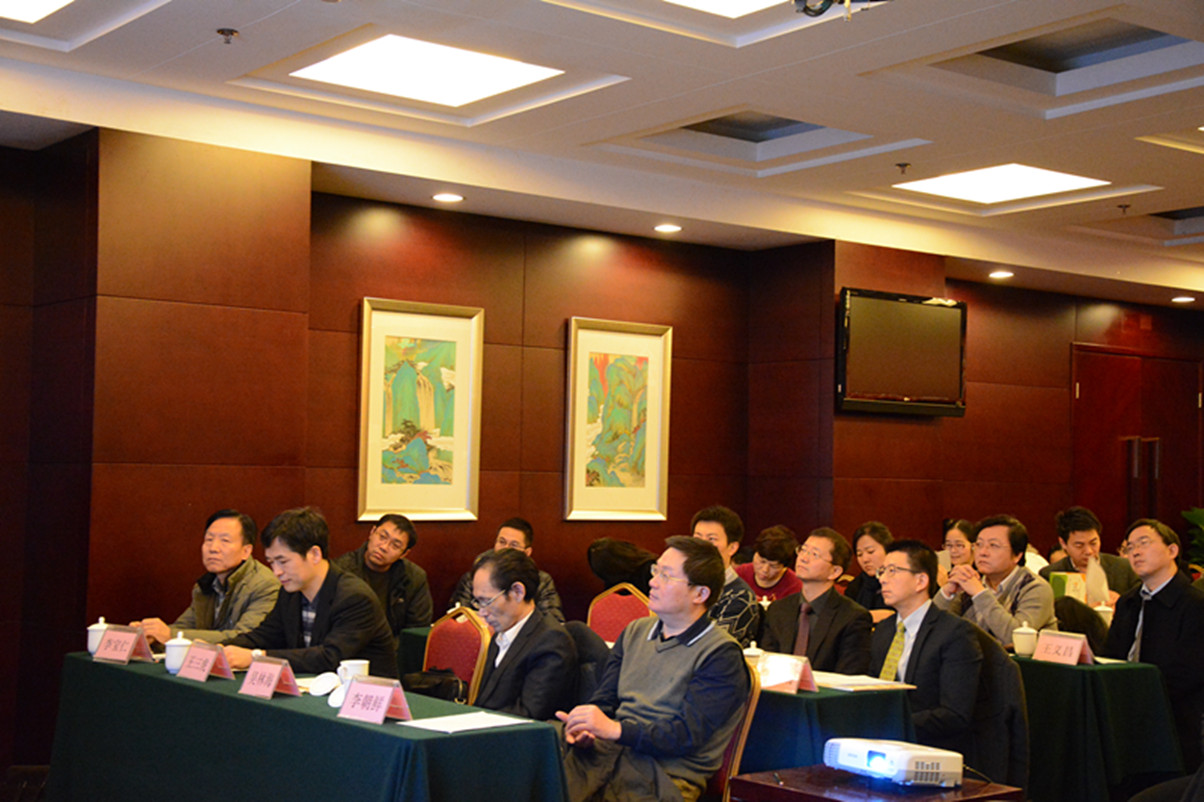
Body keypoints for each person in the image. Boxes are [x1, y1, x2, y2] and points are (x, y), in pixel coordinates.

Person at [556, 536, 750, 802]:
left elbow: (685, 736)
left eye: (666, 576)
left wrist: (614, 730)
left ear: (700, 594)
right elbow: (605, 700)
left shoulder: (721, 654)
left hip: (664, 776)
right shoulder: (635, 631)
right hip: (612, 755)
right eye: (655, 570)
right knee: (536, 764)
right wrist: (587, 727)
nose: (652, 582)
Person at [222, 507, 398, 677]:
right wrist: (219, 649)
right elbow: (265, 635)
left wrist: (257, 657)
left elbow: (330, 657)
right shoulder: (290, 592)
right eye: (271, 562)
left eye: (283, 561)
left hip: (365, 692)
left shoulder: (355, 597)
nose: (276, 572)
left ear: (314, 554)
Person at [1103, 519, 1204, 772]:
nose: (1135, 552)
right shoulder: (1128, 602)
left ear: (1172, 550)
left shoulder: (1195, 604)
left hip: (1176, 722)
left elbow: (1189, 672)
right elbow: (1110, 656)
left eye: (1143, 543)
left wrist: (1142, 696)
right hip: (1126, 714)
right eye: (1129, 548)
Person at [870, 540, 982, 754]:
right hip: (881, 740)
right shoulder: (884, 630)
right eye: (882, 571)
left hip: (928, 747)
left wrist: (893, 724)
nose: (883, 579)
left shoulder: (954, 633)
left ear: (921, 581)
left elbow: (955, 714)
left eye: (893, 571)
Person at [131, 509, 279, 646]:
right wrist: (151, 634)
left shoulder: (265, 585)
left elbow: (245, 637)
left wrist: (170, 635)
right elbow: (184, 627)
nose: (213, 548)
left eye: (225, 541)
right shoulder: (206, 585)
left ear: (246, 551)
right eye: (209, 539)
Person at [469, 548, 577, 720]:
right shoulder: (502, 633)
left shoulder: (551, 641)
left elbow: (529, 715)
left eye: (487, 601)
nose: (482, 612)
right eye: (478, 602)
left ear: (517, 592)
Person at [761, 527, 871, 674]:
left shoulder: (852, 618)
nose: (803, 558)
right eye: (803, 550)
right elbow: (767, 667)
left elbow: (849, 678)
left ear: (835, 571)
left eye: (814, 554)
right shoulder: (778, 609)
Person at [934, 514, 1056, 646]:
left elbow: (1015, 638)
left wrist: (979, 593)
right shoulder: (972, 582)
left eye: (993, 545)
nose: (982, 552)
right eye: (979, 545)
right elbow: (931, 626)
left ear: (1017, 555)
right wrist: (947, 591)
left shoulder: (1036, 588)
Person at [334, 513, 433, 641]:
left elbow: (416, 631)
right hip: (350, 648)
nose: (384, 547)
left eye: (395, 545)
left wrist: (388, 650)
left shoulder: (414, 578)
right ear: (372, 532)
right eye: (382, 537)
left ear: (404, 554)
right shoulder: (341, 571)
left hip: (394, 649)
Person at [447, 517, 565, 622]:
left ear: (527, 552)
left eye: (514, 545)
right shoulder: (474, 578)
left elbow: (554, 621)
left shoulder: (542, 581)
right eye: (502, 542)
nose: (505, 549)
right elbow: (456, 618)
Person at [691, 505, 758, 646]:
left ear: (732, 548)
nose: (702, 546)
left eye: (711, 539)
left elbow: (712, 646)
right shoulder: (684, 583)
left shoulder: (740, 596)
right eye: (697, 538)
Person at [1039, 506, 1140, 599]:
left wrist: (1121, 602)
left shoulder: (1125, 568)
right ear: (1063, 543)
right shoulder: (1049, 575)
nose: (1089, 551)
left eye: (1093, 543)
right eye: (1079, 545)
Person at [734, 525, 802, 603]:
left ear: (784, 566)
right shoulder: (740, 574)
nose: (765, 570)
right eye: (762, 561)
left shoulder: (794, 587)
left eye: (773, 566)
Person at [844, 521, 894, 623]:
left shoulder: (901, 581)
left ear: (887, 549)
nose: (865, 559)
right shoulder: (855, 587)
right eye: (859, 554)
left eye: (870, 552)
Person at [937, 519, 976, 587]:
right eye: (949, 545)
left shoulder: (983, 574)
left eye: (959, 545)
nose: (953, 550)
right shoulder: (942, 575)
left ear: (973, 546)